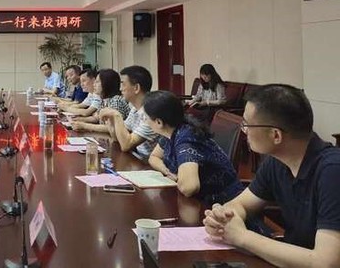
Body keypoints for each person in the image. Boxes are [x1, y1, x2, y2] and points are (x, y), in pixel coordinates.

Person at [203, 84, 340, 267]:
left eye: (247, 125)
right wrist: (223, 218)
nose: (244, 131)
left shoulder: (332, 171)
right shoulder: (277, 161)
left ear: (276, 135)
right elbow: (240, 204)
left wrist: (242, 237)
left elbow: (326, 262)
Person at [145, 90, 243, 205]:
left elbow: (189, 187)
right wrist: (167, 172)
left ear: (159, 122)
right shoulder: (171, 130)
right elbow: (154, 157)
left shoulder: (186, 138)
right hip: (198, 200)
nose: (145, 121)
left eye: (146, 118)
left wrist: (177, 179)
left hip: (222, 204)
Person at [98, 65, 159, 159]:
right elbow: (116, 138)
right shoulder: (135, 109)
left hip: (149, 163)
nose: (120, 89)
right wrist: (111, 120)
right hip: (137, 158)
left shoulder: (151, 113)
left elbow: (126, 145)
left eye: (123, 84)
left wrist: (116, 115)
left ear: (136, 88)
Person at [71, 68, 128, 133]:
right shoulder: (104, 100)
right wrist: (78, 120)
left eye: (97, 82)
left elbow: (112, 128)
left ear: (107, 83)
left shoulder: (116, 100)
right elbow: (96, 118)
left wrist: (84, 126)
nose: (94, 84)